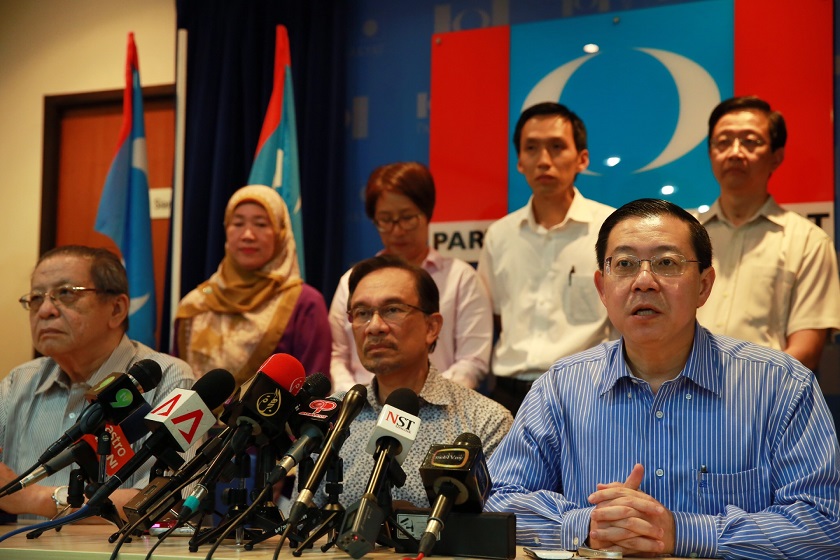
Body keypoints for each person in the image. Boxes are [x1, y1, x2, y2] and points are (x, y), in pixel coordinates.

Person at [485, 199, 840, 559]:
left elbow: (825, 524)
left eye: (667, 263)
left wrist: (681, 532)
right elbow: (496, 501)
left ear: (704, 285)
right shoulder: (560, 388)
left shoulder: (780, 385)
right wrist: (588, 526)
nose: (644, 281)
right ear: (602, 288)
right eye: (624, 264)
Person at [0, 246, 196, 521]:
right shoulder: (18, 382)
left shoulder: (173, 379)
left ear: (116, 309)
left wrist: (34, 499)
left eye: (66, 293)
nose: (44, 310)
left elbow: (172, 500)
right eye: (35, 297)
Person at [321, 255, 512, 508]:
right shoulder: (334, 418)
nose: (374, 327)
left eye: (392, 310)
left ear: (432, 327)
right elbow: (301, 520)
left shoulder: (485, 421)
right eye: (362, 313)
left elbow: (497, 524)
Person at [477, 102, 615, 414]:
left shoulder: (611, 229)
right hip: (508, 395)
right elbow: (494, 315)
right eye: (531, 148)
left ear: (582, 159)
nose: (543, 161)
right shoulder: (500, 234)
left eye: (556, 147)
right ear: (519, 162)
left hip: (587, 390)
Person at [696, 95, 840, 371]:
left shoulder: (809, 241)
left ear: (776, 156)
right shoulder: (684, 236)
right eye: (723, 141)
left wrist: (742, 387)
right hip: (681, 394)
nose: (735, 152)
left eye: (750, 141)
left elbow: (807, 350)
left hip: (766, 395)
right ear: (711, 153)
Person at [329, 162, 492, 392]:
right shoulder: (351, 282)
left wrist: (424, 400)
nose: (397, 230)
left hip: (440, 406)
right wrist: (359, 400)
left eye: (407, 218)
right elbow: (338, 356)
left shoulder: (461, 279)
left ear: (427, 214)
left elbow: (472, 361)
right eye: (386, 220)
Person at [175, 185, 331, 386]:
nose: (247, 235)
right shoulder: (195, 304)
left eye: (261, 224)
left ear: (281, 232)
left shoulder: (304, 303)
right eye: (238, 223)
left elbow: (314, 388)